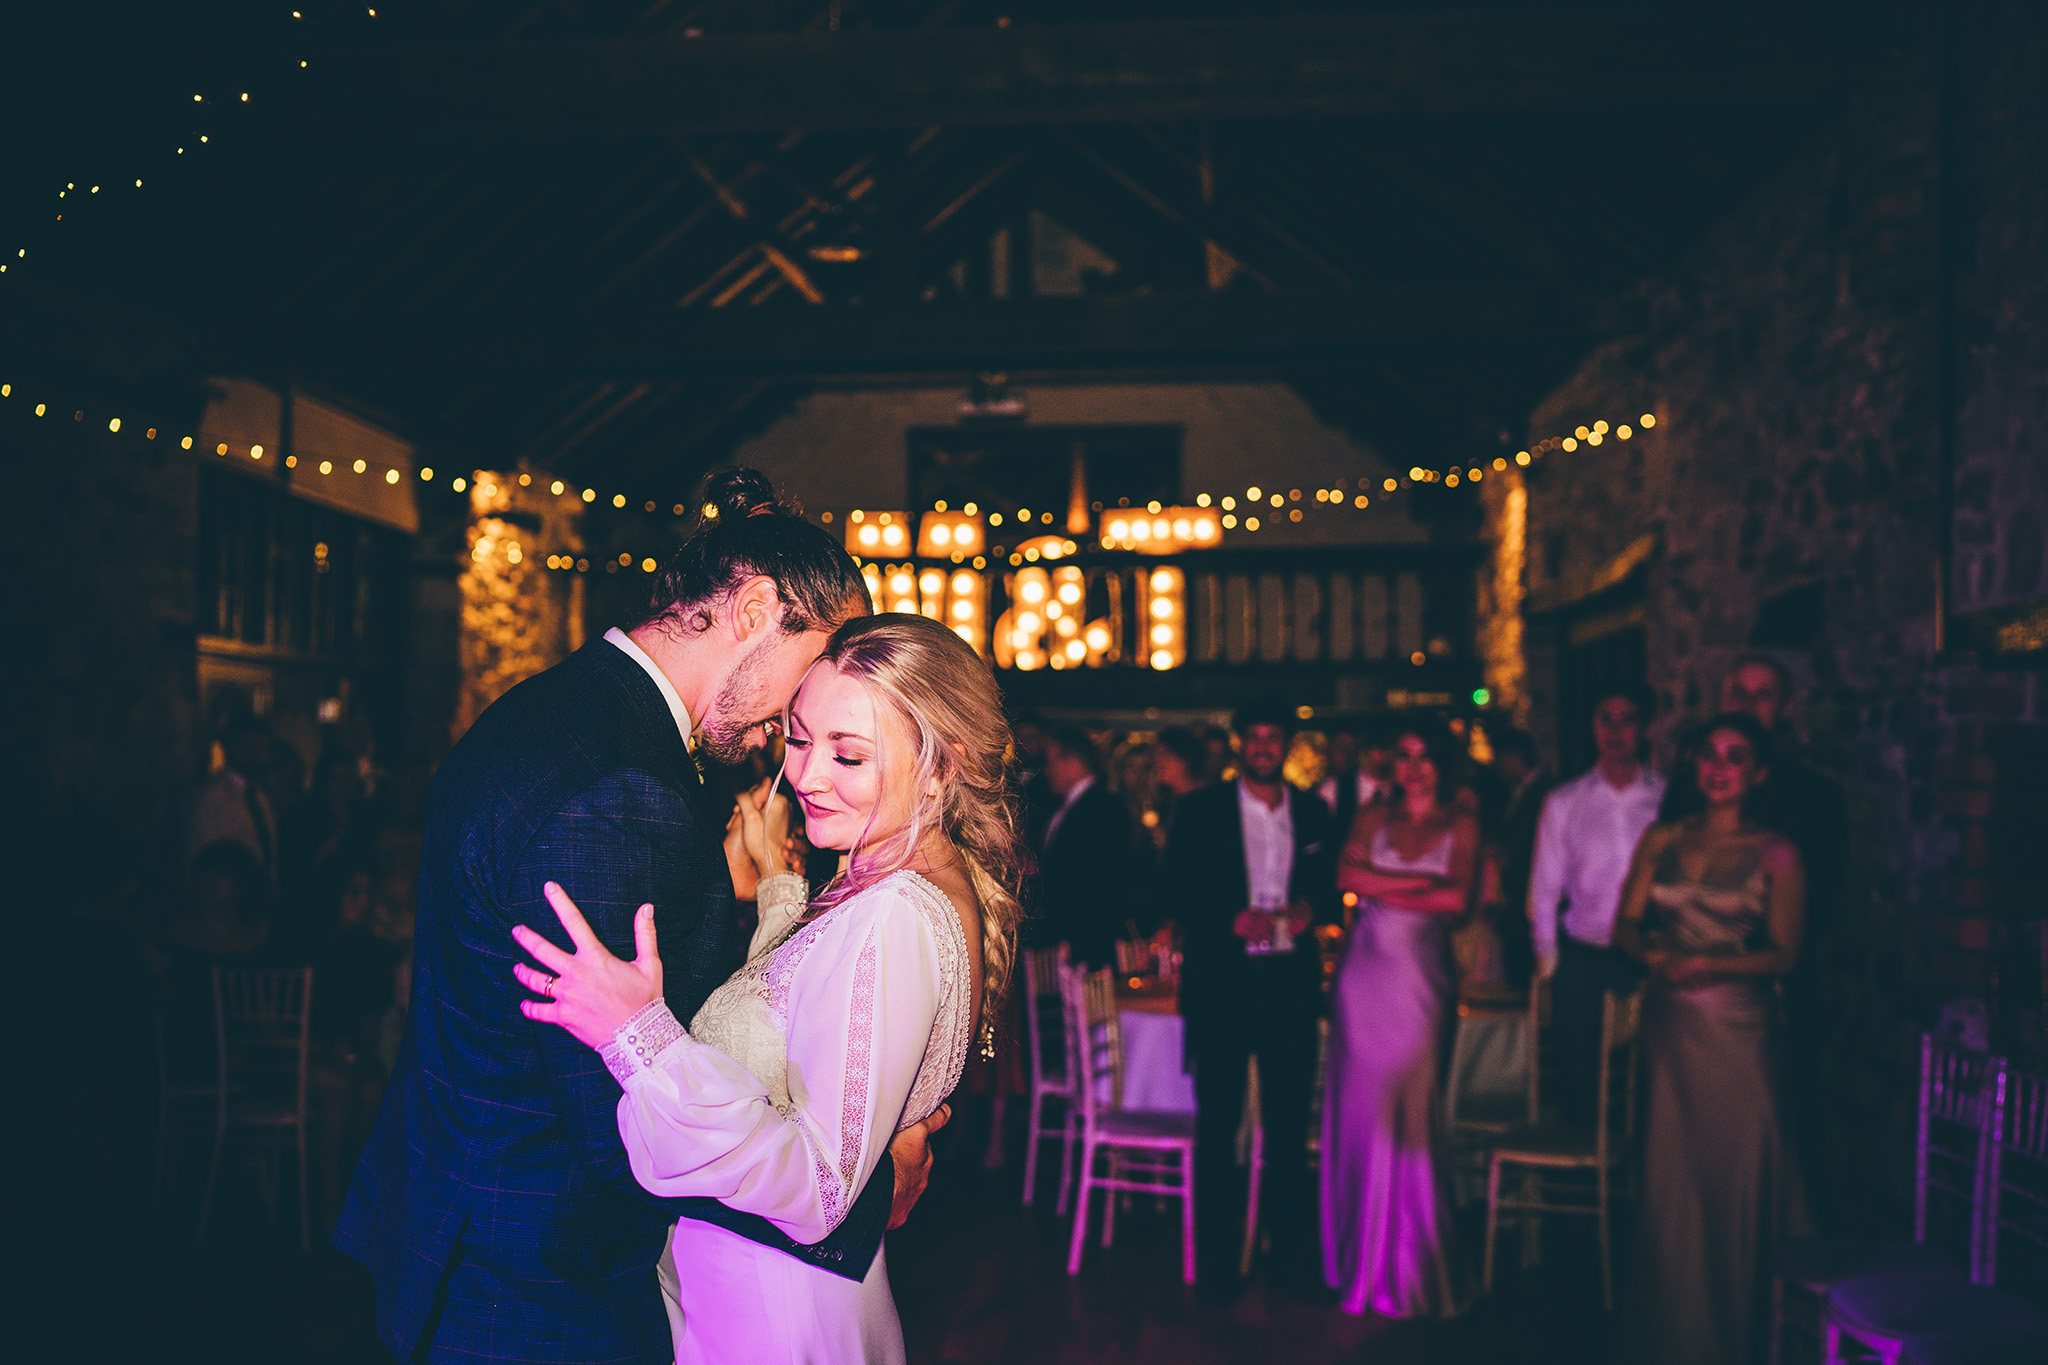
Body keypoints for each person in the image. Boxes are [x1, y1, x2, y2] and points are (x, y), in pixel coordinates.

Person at [335, 469, 947, 1365]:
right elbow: (623, 1122)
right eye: (808, 664)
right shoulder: (624, 792)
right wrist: (860, 1193)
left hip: (463, 1224)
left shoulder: (550, 708)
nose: (794, 722)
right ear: (753, 610)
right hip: (542, 1284)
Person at [517, 614, 1022, 1364]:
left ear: (942, 766)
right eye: (800, 737)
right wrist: (781, 884)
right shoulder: (908, 877)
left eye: (849, 755)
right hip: (782, 1294)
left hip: (769, 1313)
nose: (806, 775)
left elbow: (818, 1187)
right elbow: (801, 1006)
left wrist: (638, 1034)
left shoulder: (890, 915)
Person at [1615, 712, 1807, 1365]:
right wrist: (1652, 954)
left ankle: (1744, 1338)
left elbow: (1784, 955)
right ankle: (1675, 1337)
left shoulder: (1776, 850)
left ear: (1759, 772)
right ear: (1695, 765)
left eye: (1736, 755)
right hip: (1671, 1025)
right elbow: (1625, 925)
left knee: (1738, 1178)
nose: (1719, 766)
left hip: (1737, 1033)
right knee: (1673, 1182)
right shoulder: (1660, 838)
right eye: (1708, 755)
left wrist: (1711, 964)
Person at [1661, 651, 1847, 1226]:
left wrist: (1733, 963)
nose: (1746, 703)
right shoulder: (1687, 793)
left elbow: (1816, 910)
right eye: (1736, 692)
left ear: (1786, 710)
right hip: (1688, 997)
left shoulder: (1816, 796)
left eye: (1761, 694)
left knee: (1776, 1133)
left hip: (1768, 993)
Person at [1164, 702, 1338, 1293]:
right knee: (1220, 1123)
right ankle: (1219, 1258)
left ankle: (1285, 1255)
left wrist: (1313, 909)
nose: (1264, 745)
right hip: (1223, 986)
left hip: (1289, 984)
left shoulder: (1314, 812)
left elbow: (1332, 888)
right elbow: (1175, 891)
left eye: (1274, 737)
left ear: (1287, 744)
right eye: (1255, 736)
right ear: (1240, 743)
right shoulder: (1201, 810)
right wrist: (1227, 919)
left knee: (1289, 1125)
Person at [1321, 718, 1477, 1318]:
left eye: (1425, 756)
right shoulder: (1370, 816)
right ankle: (1359, 1260)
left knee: (1412, 1113)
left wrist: (1381, 885)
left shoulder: (1460, 822)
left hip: (1421, 984)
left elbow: (1456, 899)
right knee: (1362, 1115)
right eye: (1404, 756)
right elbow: (1345, 879)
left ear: (1442, 763)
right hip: (1363, 981)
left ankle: (1414, 1265)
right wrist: (1419, 880)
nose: (1413, 767)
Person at [1528, 688, 1665, 1126]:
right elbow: (1545, 888)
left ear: (1644, 729)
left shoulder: (1667, 798)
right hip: (1585, 959)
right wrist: (1550, 966)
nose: (1615, 730)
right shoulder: (1565, 801)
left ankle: (1641, 1183)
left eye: (1627, 719)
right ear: (1593, 727)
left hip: (1651, 957)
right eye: (1605, 719)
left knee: (1651, 1080)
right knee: (1580, 1084)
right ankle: (1580, 1181)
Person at [1031, 724, 1134, 965]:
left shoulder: (1104, 808)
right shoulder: (1063, 808)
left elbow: (1101, 881)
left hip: (1088, 942)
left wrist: (1070, 935)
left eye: (1050, 762)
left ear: (1071, 762)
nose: (1045, 771)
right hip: (1062, 938)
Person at [1488, 728, 1551, 987]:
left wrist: (1508, 859)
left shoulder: (1544, 794)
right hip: (1517, 902)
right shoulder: (1518, 793)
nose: (1496, 765)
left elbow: (1540, 849)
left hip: (1529, 901)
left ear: (1514, 757)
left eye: (1499, 758)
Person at [188, 713, 279, 884]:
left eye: (265, 748)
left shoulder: (259, 795)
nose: (265, 756)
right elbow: (205, 855)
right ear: (238, 750)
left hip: (259, 895)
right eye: (260, 748)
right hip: (230, 896)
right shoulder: (212, 796)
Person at [1313, 724, 1385, 838]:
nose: (1347, 755)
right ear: (1328, 750)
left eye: (1352, 749)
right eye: (1341, 748)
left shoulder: (1373, 788)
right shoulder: (1321, 793)